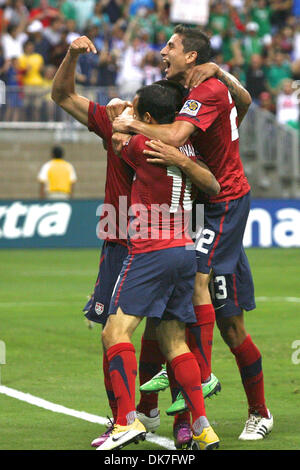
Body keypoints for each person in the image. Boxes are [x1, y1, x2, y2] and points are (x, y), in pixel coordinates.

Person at [113, 24, 273, 441]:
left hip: (223, 205)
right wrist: (221, 71)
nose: (162, 50)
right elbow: (247, 100)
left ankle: (200, 379)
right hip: (205, 205)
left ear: (191, 58)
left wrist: (130, 124)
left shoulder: (207, 91)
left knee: (194, 282)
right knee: (224, 320)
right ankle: (164, 406)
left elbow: (178, 136)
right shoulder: (192, 88)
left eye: (171, 46)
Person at [97, 82, 220, 451]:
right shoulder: (187, 147)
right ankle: (202, 427)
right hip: (185, 250)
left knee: (114, 333)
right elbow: (212, 185)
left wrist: (127, 111)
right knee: (174, 340)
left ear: (149, 118)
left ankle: (125, 421)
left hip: (151, 250)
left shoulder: (143, 145)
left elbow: (117, 128)